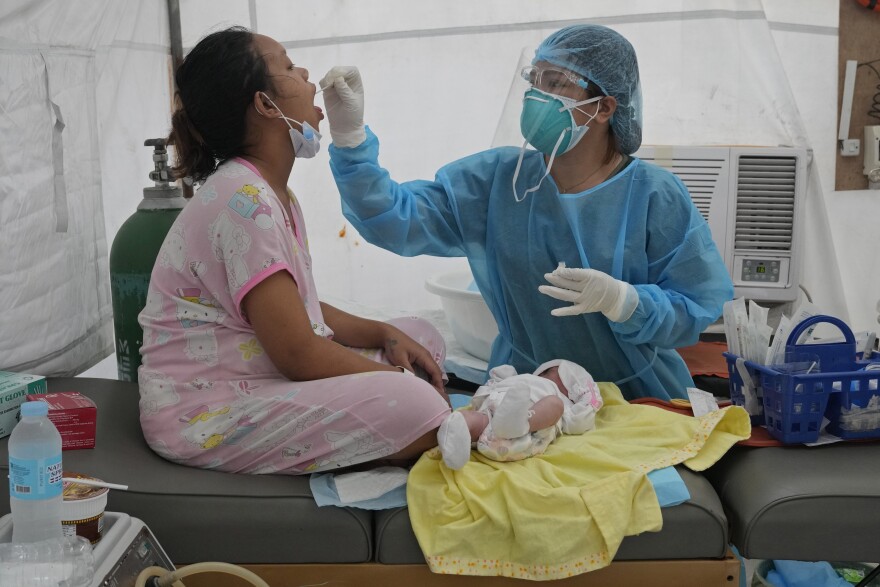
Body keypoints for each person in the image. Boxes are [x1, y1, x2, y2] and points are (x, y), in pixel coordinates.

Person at [321, 24, 734, 401]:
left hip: (635, 398)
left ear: (605, 107)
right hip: (523, 394)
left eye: (554, 83)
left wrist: (625, 302)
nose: (537, 95)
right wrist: (349, 138)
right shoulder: (499, 181)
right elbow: (395, 220)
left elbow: (695, 304)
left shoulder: (652, 194)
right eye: (534, 80)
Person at [136, 26, 452, 475]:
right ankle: (413, 424)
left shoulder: (269, 193)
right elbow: (299, 353)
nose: (304, 73)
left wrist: (385, 333)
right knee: (414, 400)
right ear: (265, 105)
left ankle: (399, 419)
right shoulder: (244, 201)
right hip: (204, 412)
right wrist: (395, 381)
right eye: (287, 65)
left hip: (261, 376)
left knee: (421, 336)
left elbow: (297, 309)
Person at [437, 360, 602, 470]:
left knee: (554, 405)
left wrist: (588, 402)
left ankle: (518, 422)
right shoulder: (522, 384)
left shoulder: (562, 400)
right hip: (504, 410)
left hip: (521, 421)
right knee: (478, 419)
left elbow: (579, 421)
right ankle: (455, 439)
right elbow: (495, 382)